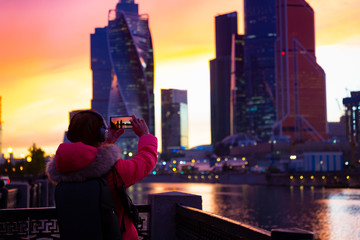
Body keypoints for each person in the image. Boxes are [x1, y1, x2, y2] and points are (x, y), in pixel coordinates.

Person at [46, 111, 158, 240]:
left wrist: (107, 142)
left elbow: (86, 157)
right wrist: (145, 136)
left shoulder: (63, 167)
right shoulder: (114, 170)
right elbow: (145, 163)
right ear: (101, 134)